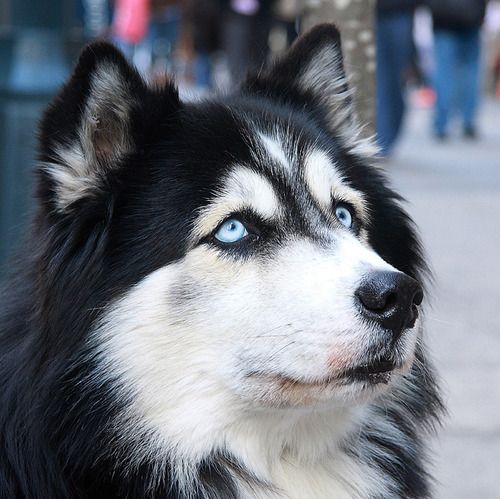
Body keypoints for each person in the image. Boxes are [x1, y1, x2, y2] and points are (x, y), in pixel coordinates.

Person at [428, 0, 487, 139]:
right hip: (470, 18)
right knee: (470, 72)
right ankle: (468, 121)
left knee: (444, 72)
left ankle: (441, 123)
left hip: (444, 19)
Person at [376, 0, 419, 156]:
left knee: (394, 80)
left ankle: (387, 136)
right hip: (377, 13)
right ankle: (383, 139)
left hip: (400, 12)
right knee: (382, 80)